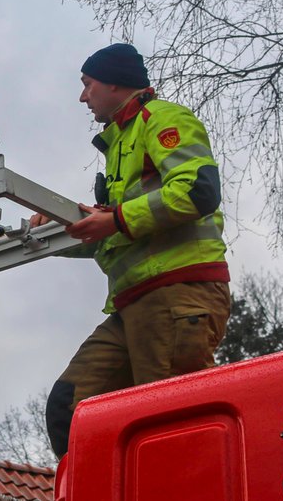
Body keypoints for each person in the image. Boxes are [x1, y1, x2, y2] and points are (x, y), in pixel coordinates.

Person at [34, 43, 231, 458]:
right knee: (71, 408)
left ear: (113, 82)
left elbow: (197, 191)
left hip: (177, 296)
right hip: (135, 307)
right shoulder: (120, 143)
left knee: (171, 429)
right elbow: (120, 228)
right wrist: (58, 230)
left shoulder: (162, 119)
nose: (82, 96)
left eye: (87, 85)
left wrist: (114, 218)